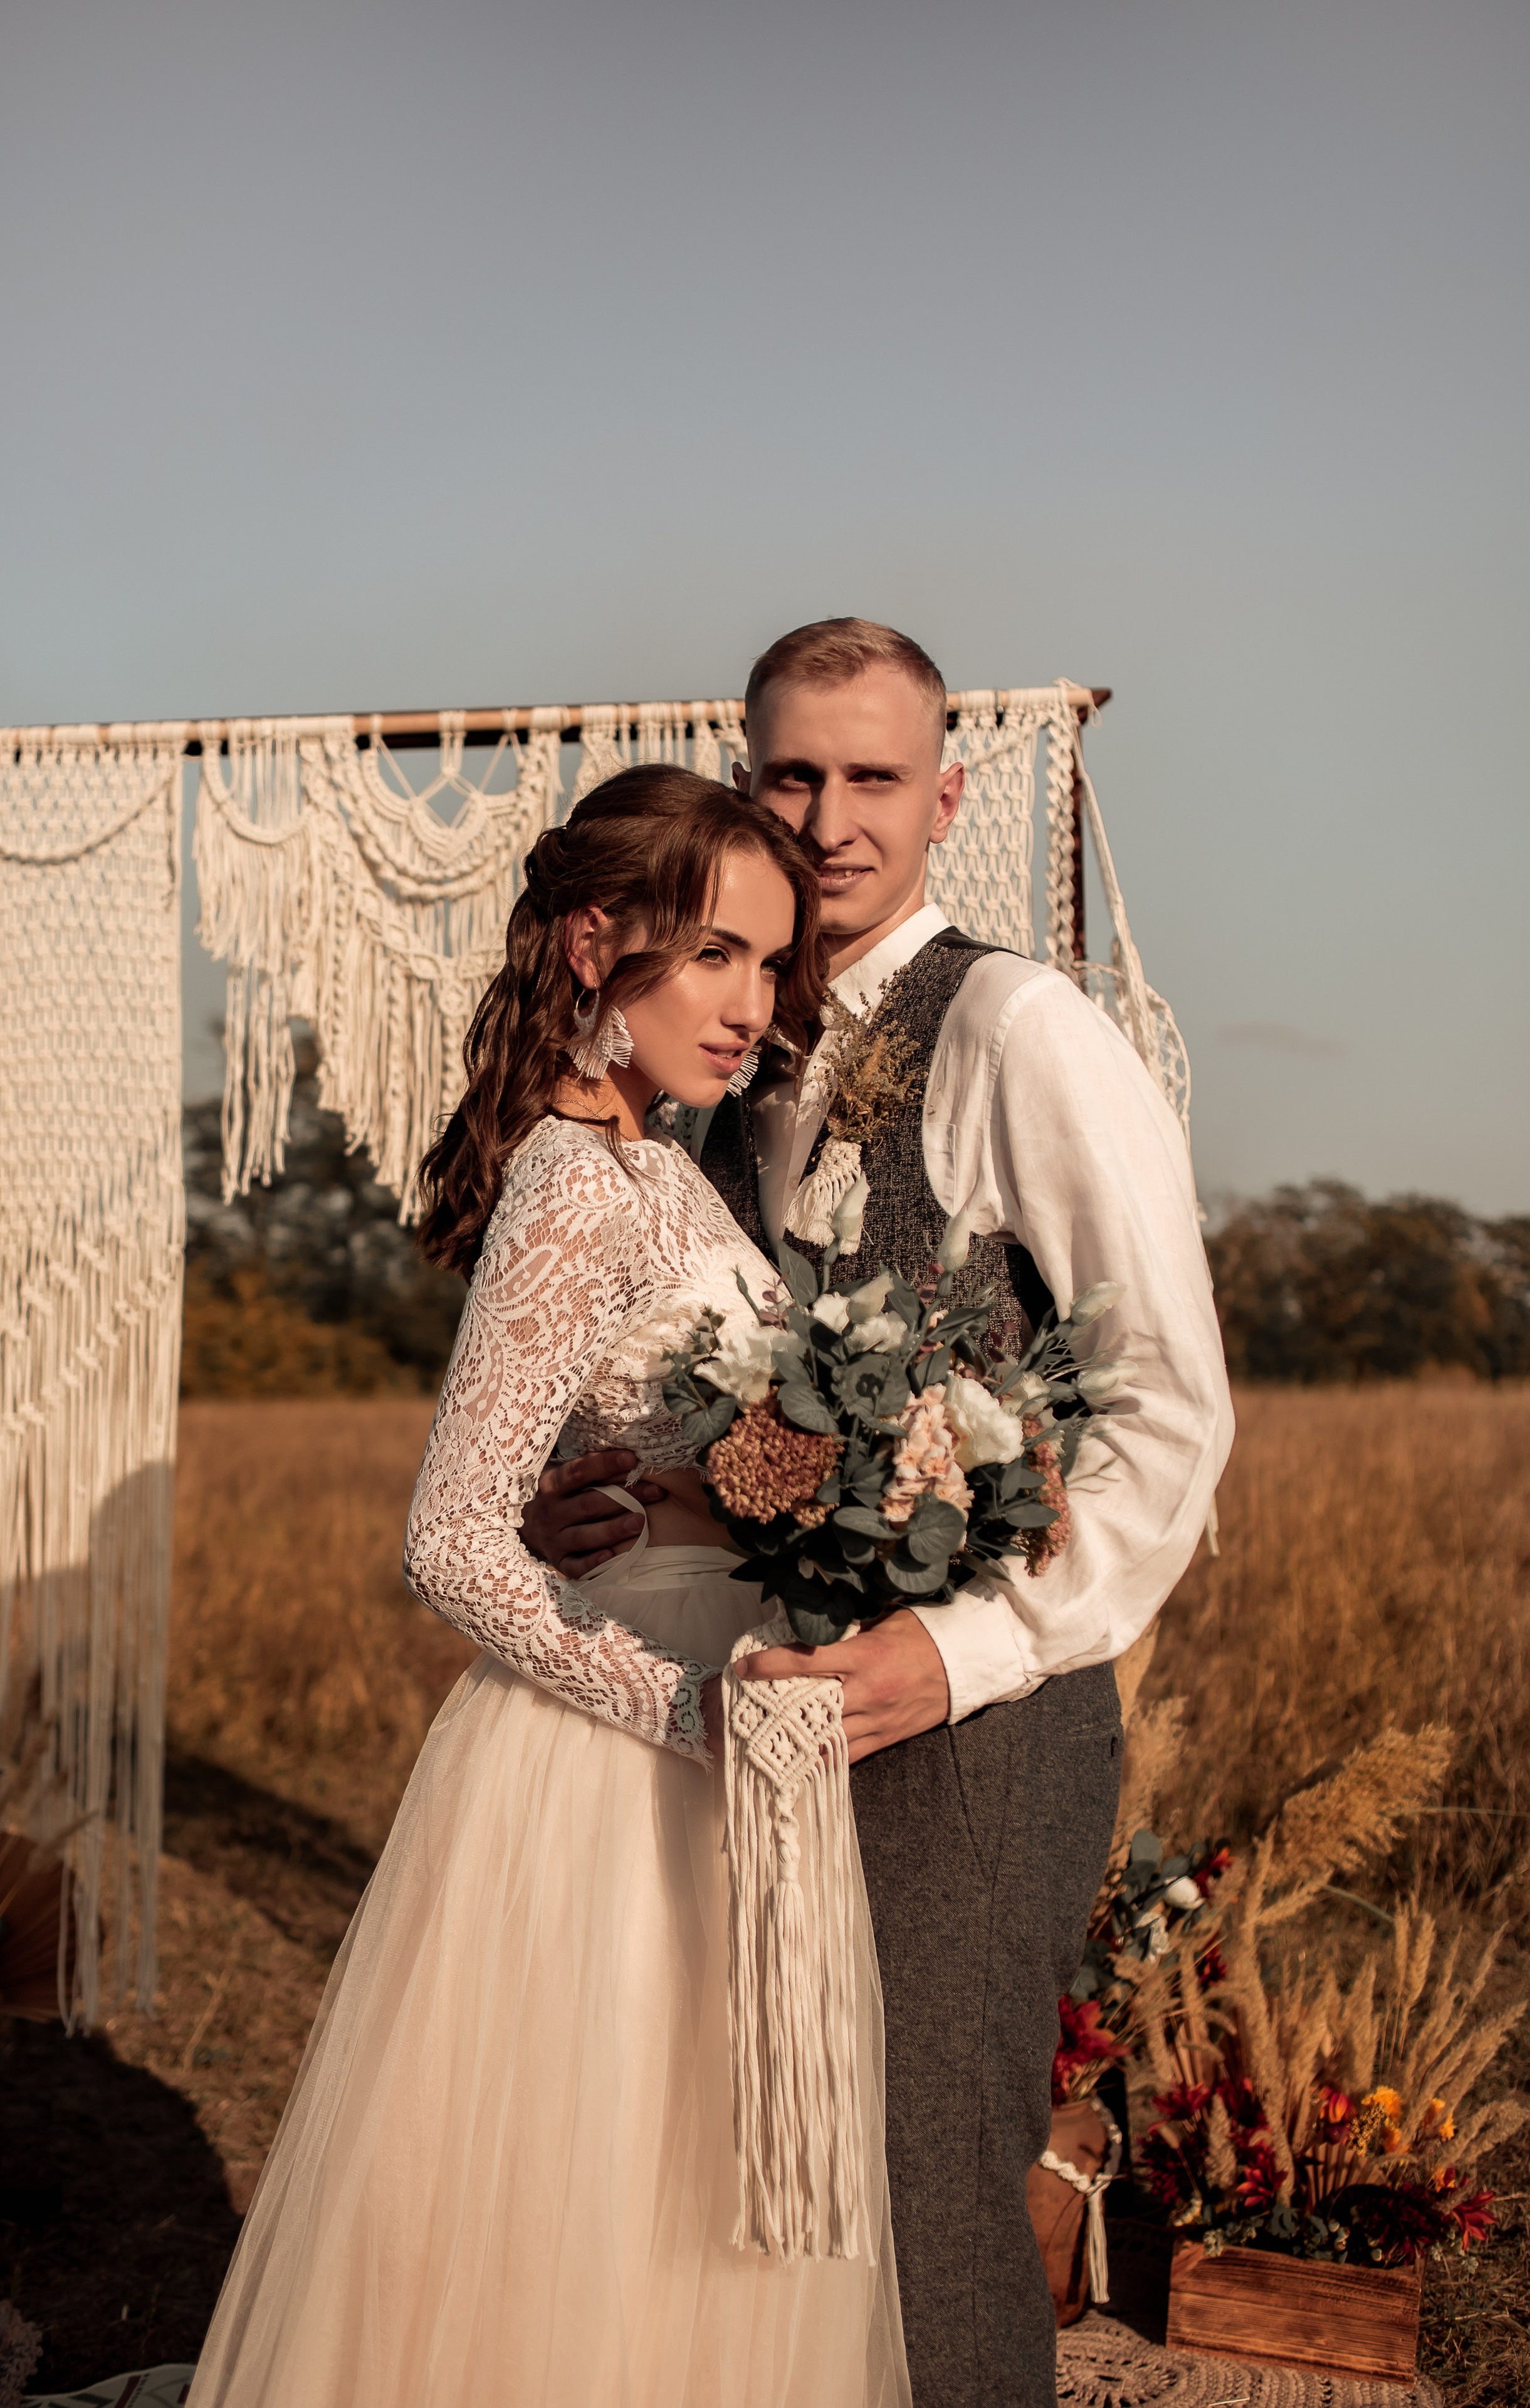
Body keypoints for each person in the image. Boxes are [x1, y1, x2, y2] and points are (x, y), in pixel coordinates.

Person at [521, 621, 1234, 2408]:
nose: (832, 817)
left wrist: (970, 1641)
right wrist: (631, 1481)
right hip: (762, 1711)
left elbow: (1168, 1408)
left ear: (947, 795)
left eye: (873, 777)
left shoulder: (1022, 1025)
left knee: (921, 2191)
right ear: (744, 777)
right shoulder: (733, 1048)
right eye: (793, 773)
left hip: (979, 1722)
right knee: (766, 2197)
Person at [187, 765, 911, 2408]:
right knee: (601, 2203)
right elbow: (448, 1533)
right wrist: (692, 1715)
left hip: (727, 1712)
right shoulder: (575, 1184)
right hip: (620, 1757)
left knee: (710, 2219)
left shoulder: (662, 1166)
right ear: (598, 944)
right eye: (717, 954)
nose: (751, 1004)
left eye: (773, 965)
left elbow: (693, 1454)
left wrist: (901, 1474)